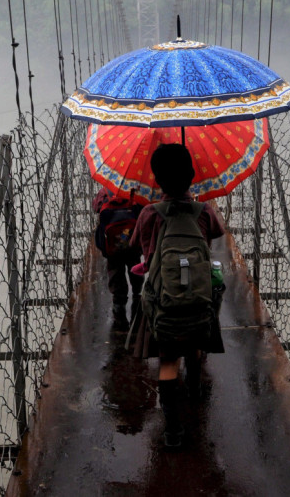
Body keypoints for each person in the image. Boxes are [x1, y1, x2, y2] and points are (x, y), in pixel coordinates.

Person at [130, 143, 225, 448]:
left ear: (157, 180)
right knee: (195, 350)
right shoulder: (205, 210)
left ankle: (173, 430)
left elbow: (141, 249)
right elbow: (217, 233)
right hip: (198, 301)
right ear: (193, 175)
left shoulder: (148, 213)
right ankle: (195, 392)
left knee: (168, 361)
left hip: (164, 304)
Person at [92, 186, 143, 328]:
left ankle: (118, 304)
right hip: (132, 244)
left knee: (115, 272)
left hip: (112, 247)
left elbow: (96, 207)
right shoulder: (135, 192)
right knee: (135, 267)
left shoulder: (104, 192)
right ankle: (137, 294)